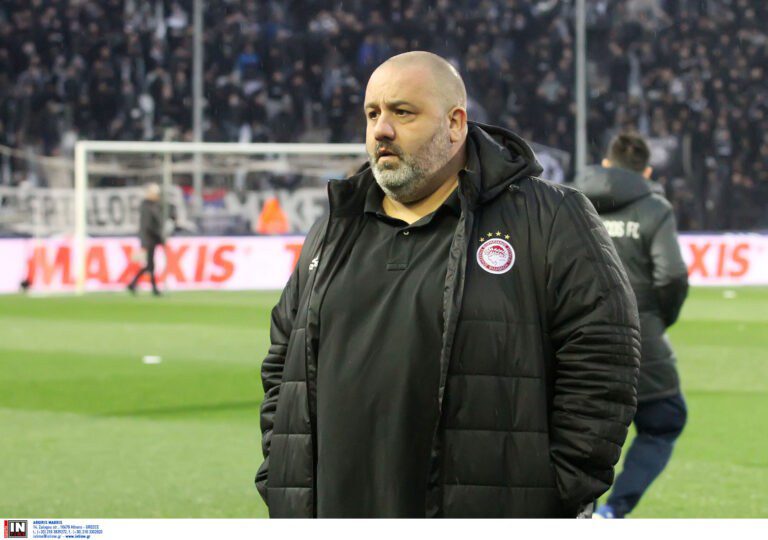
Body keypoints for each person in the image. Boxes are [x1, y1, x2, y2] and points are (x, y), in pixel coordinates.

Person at [255, 51, 641, 518]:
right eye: (372, 114)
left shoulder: (550, 218)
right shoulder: (333, 229)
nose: (381, 130)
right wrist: (283, 473)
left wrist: (553, 494)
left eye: (402, 112)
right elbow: (283, 363)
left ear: (455, 123)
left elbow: (604, 358)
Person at [575, 132, 689, 518]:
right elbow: (671, 275)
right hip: (641, 340)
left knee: (578, 433)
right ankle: (613, 511)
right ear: (647, 171)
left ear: (606, 164)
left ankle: (578, 513)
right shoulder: (654, 208)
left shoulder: (569, 200)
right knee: (663, 422)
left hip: (576, 342)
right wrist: (658, 319)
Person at [127, 183, 165, 296]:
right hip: (149, 240)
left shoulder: (151, 206)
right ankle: (152, 288)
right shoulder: (148, 207)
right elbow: (147, 226)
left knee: (150, 265)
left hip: (150, 239)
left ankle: (134, 284)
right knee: (150, 265)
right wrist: (157, 238)